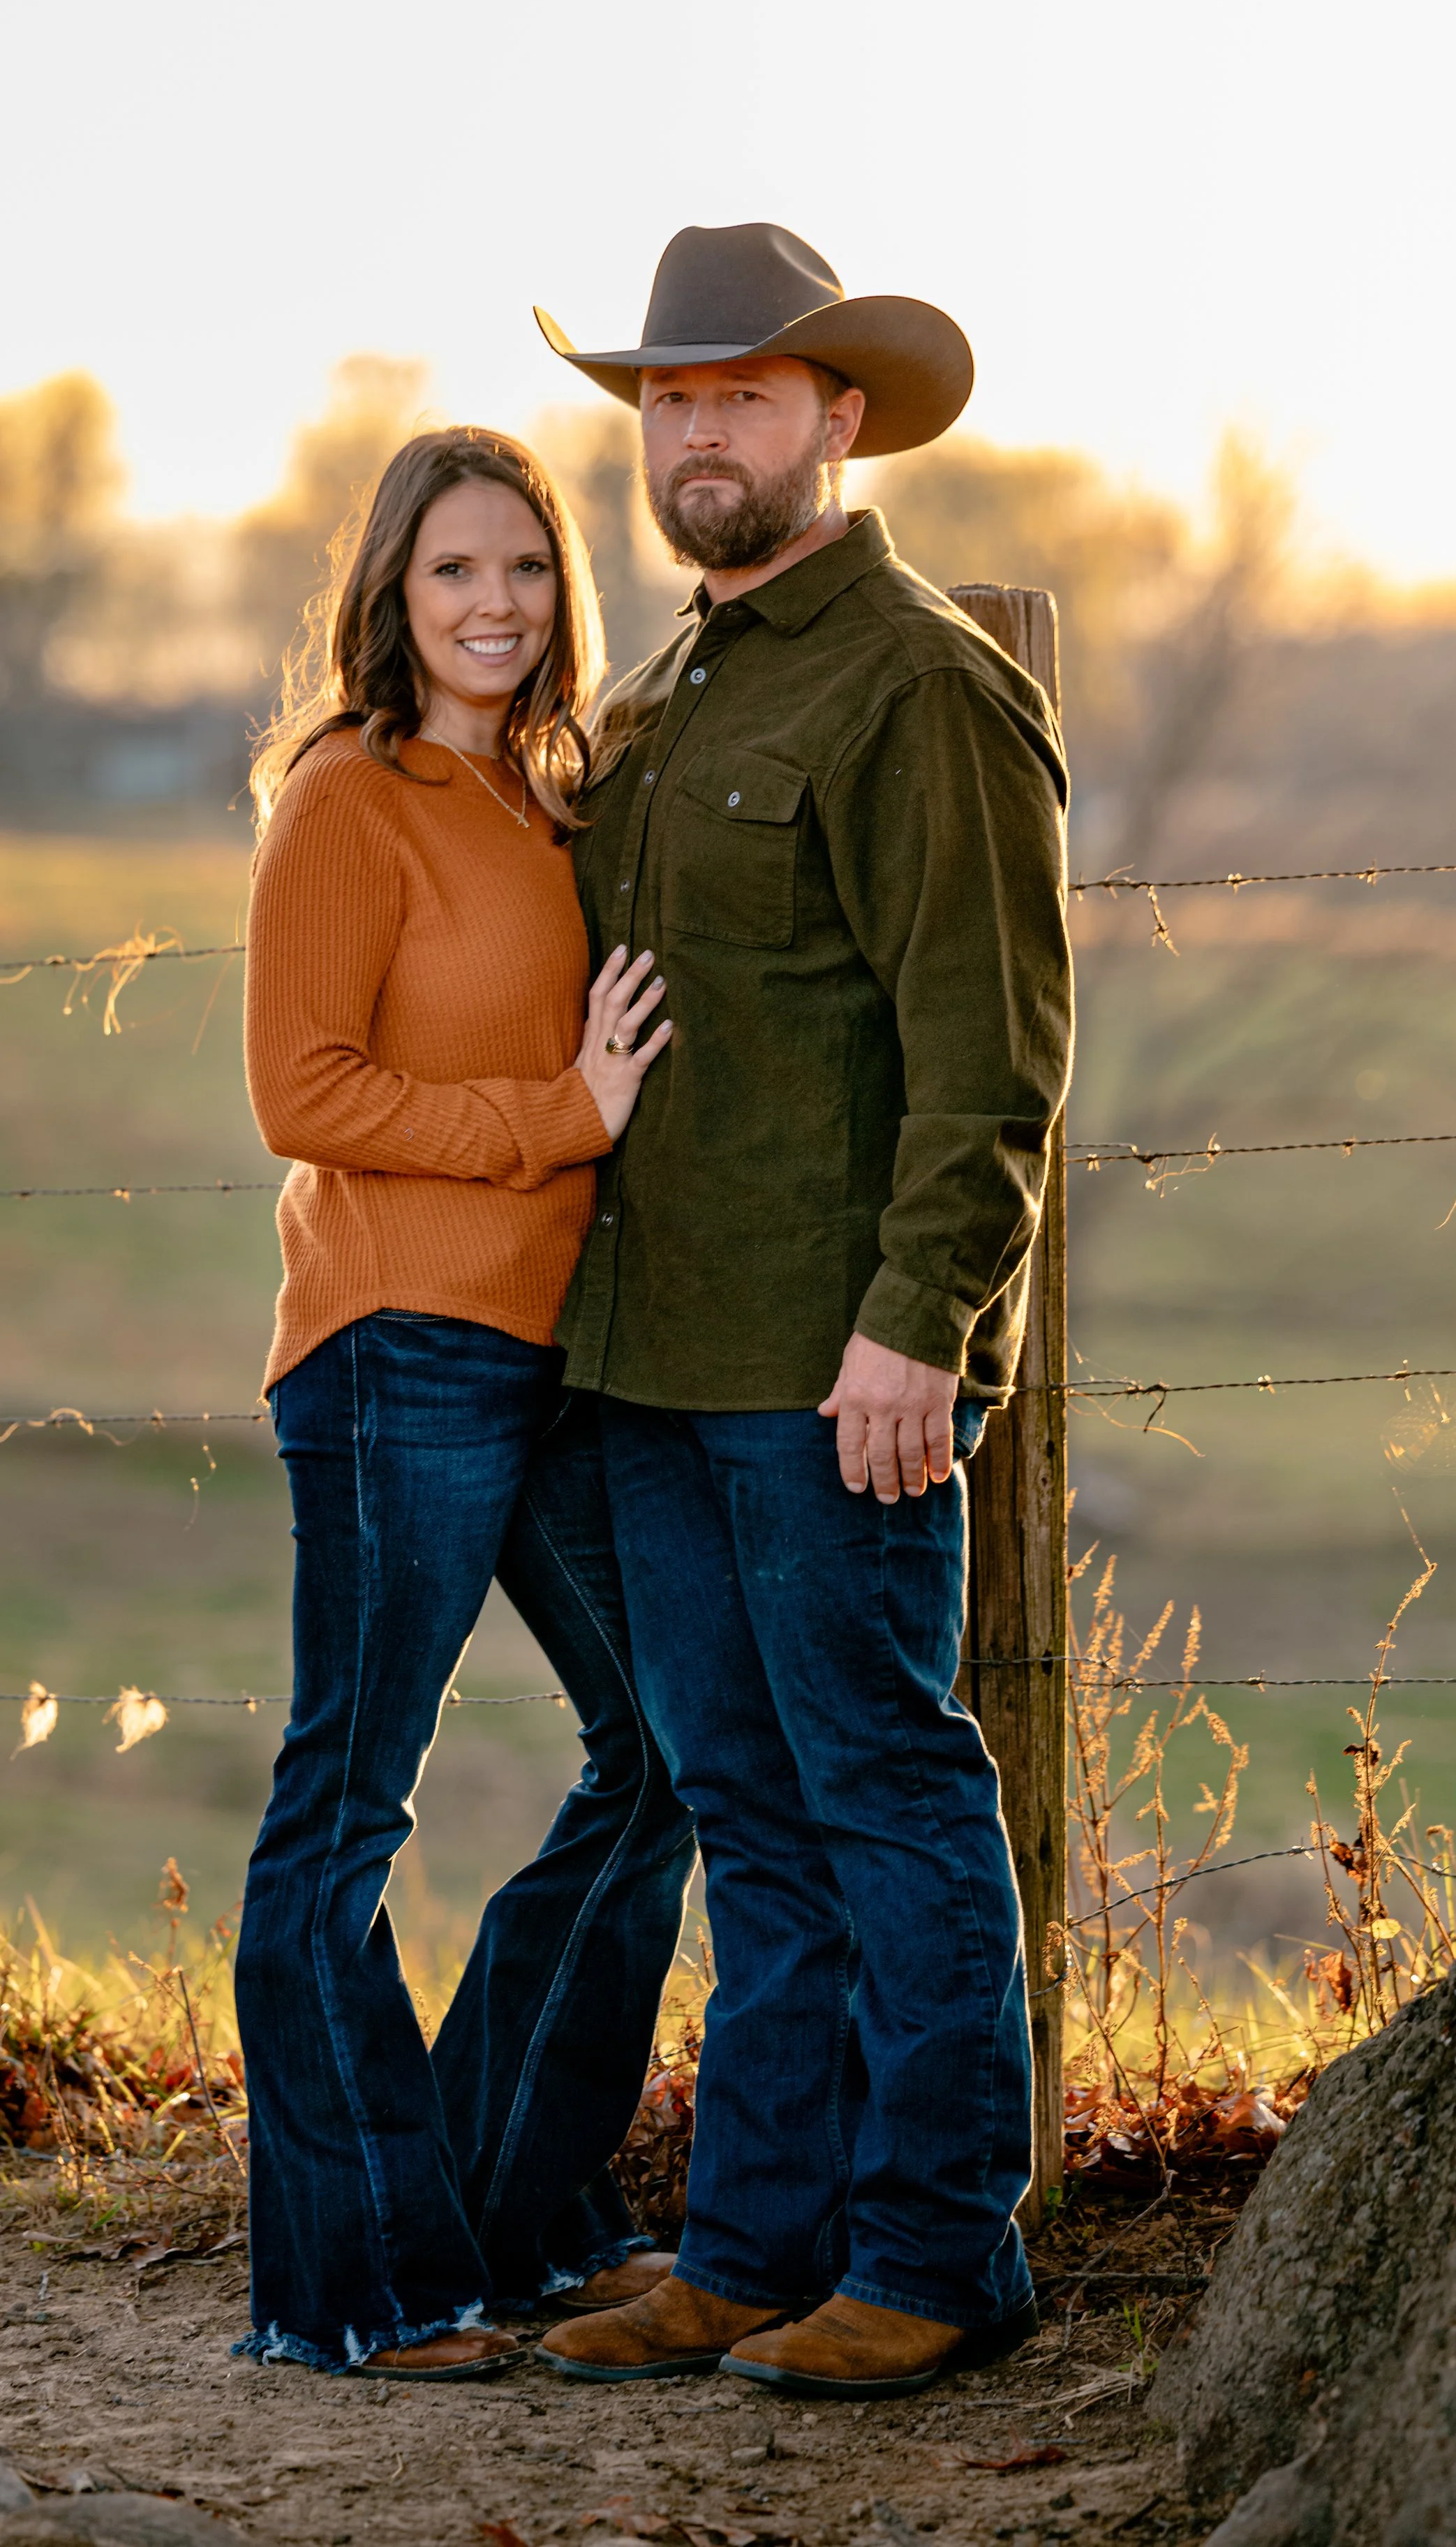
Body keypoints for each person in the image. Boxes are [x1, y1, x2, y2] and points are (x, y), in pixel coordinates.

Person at [531, 224, 1074, 2398]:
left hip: (832, 1364)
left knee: (884, 1789)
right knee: (741, 1804)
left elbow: (992, 1047)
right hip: (650, 1355)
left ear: (838, 419)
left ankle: (938, 2255)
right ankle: (750, 2246)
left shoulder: (919, 682)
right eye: (670, 400)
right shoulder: (663, 689)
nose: (698, 433)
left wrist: (921, 1321)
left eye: (743, 395)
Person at [234, 427, 692, 2380]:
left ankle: (497, 2210)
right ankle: (358, 2285)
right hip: (399, 1346)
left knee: (668, 1752)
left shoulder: (540, 798)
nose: (493, 603)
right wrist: (556, 1121)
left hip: (544, 1354)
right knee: (341, 1814)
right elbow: (302, 1092)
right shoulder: (352, 796)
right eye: (452, 573)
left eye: (523, 570)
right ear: (390, 598)